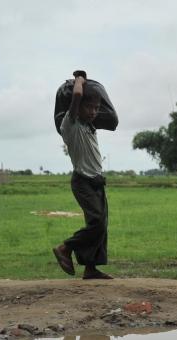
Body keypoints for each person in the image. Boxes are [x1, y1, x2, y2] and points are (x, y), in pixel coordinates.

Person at [52, 70, 113, 280]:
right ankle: (64, 248)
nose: (94, 111)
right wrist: (79, 78)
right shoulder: (71, 125)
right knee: (96, 222)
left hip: (96, 181)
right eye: (90, 107)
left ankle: (91, 268)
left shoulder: (89, 126)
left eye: (97, 108)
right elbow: (77, 96)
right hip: (83, 182)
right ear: (77, 109)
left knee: (101, 225)